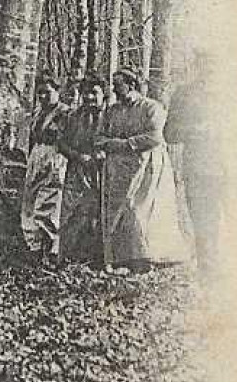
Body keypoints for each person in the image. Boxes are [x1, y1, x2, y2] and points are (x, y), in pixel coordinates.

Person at [96, 68, 189, 273]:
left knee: (139, 209)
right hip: (116, 168)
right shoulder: (111, 111)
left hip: (145, 166)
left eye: (118, 85)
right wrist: (110, 144)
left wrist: (126, 144)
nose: (114, 89)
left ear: (131, 85)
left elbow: (156, 136)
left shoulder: (151, 108)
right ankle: (120, 257)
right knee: (118, 211)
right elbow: (99, 137)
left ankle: (144, 256)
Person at [164, 53, 226, 275]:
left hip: (234, 165)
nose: (208, 73)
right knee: (201, 220)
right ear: (196, 68)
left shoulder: (234, 92)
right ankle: (208, 274)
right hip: (199, 167)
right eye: (203, 67)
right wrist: (193, 131)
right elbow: (169, 133)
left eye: (212, 68)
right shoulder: (183, 95)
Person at [57, 77, 108, 267]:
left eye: (94, 93)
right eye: (86, 93)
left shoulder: (110, 116)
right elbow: (61, 143)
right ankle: (68, 257)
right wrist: (78, 156)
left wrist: (103, 154)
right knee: (72, 212)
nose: (89, 97)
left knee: (97, 212)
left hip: (101, 171)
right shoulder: (72, 116)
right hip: (76, 170)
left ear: (103, 94)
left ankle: (96, 259)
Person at [19, 77, 69, 264]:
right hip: (36, 156)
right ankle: (33, 247)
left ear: (57, 91)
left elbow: (63, 138)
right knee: (29, 201)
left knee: (48, 201)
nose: (42, 96)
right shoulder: (38, 112)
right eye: (39, 92)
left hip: (55, 155)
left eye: (47, 92)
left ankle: (50, 248)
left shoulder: (65, 113)